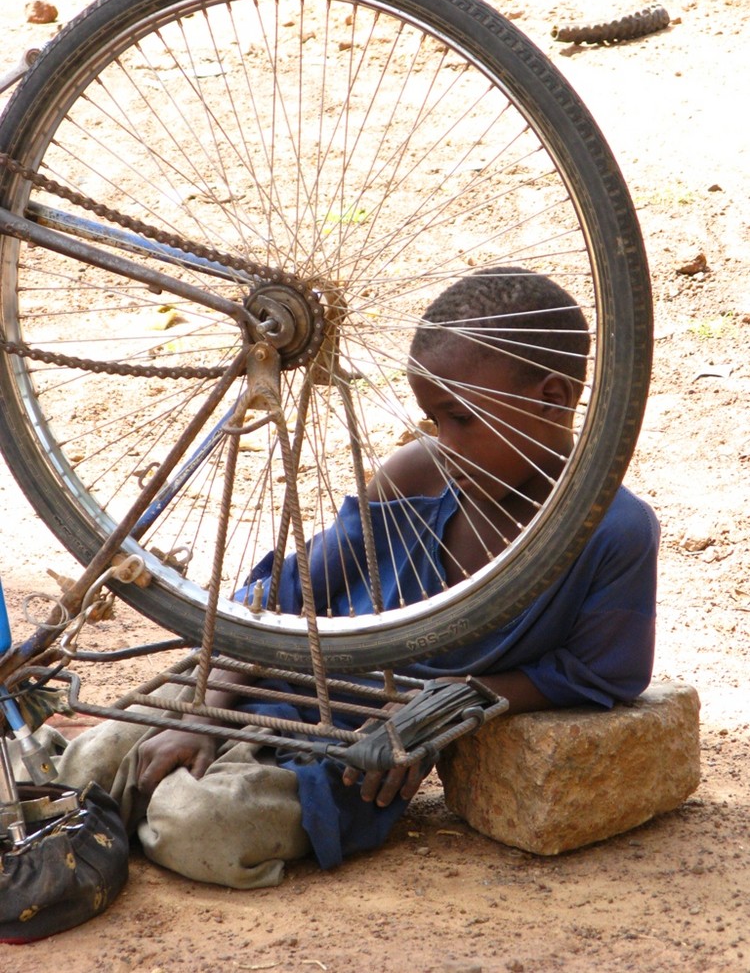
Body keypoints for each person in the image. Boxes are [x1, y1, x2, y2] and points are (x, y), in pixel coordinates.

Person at [39, 267, 659, 888]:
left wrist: (442, 708)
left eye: (460, 418)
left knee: (204, 826)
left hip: (354, 750)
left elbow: (601, 672)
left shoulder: (613, 531)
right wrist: (210, 704)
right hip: (263, 668)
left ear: (553, 397)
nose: (443, 441)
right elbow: (286, 597)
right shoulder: (418, 476)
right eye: (432, 419)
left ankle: (125, 810)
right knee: (90, 764)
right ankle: (112, 794)